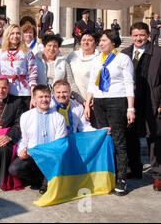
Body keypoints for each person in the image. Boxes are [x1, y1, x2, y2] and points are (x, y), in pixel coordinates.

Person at [85, 29, 135, 196]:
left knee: (118, 141)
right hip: (99, 102)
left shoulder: (123, 59)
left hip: (117, 100)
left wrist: (130, 108)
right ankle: (106, 176)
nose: (100, 43)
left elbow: (129, 84)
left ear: (113, 42)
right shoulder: (97, 59)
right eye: (100, 40)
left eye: (104, 40)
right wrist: (87, 103)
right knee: (104, 139)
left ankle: (121, 178)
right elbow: (92, 82)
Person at [121, 22, 161, 190]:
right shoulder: (124, 54)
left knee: (155, 138)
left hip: (152, 100)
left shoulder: (159, 53)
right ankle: (135, 168)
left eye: (142, 35)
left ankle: (158, 175)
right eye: (136, 35)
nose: (139, 38)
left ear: (148, 36)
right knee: (131, 136)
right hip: (130, 102)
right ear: (131, 36)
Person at [9, 85, 68, 194]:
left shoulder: (59, 118)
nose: (44, 100)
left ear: (50, 98)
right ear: (34, 99)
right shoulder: (26, 116)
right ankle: (39, 180)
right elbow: (23, 139)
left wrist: (42, 152)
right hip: (32, 156)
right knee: (14, 169)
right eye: (40, 97)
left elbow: (59, 144)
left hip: (51, 158)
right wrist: (21, 151)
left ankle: (46, 182)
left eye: (46, 96)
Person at [0, 24, 38, 109]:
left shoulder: (27, 52)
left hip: (24, 92)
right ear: (7, 35)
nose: (15, 36)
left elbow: (32, 75)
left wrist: (33, 96)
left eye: (18, 33)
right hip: (6, 93)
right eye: (12, 33)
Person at [35, 34, 84, 104]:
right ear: (44, 46)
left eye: (55, 46)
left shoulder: (63, 62)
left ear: (58, 49)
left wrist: (81, 100)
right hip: (40, 99)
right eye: (49, 45)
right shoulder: (35, 61)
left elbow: (71, 83)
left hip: (57, 101)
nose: (52, 49)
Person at [66, 31, 100, 102]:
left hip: (93, 100)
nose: (86, 42)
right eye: (83, 40)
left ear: (96, 43)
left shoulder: (100, 59)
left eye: (90, 40)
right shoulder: (72, 56)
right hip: (73, 99)